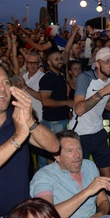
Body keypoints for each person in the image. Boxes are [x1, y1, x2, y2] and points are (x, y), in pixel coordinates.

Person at [0, 66, 60, 216]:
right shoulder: (18, 130)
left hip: (19, 211)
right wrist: (18, 137)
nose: (2, 89)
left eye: (6, 83)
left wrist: (30, 121)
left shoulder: (16, 118)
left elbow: (54, 146)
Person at [30, 130, 110, 218]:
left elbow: (103, 200)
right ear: (57, 156)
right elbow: (45, 215)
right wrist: (87, 192)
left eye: (79, 148)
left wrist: (100, 214)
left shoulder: (89, 166)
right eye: (70, 151)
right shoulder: (44, 176)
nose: (77, 155)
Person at [69, 47, 110, 179]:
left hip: (98, 131)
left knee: (108, 175)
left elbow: (108, 107)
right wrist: (104, 91)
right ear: (97, 64)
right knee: (79, 176)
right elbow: (79, 109)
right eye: (106, 62)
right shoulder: (85, 77)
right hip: (80, 134)